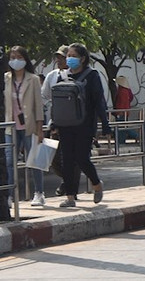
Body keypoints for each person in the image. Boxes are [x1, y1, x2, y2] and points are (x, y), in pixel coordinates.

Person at [54, 43, 111, 208]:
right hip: (65, 124)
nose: (69, 59)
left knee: (82, 158)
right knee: (67, 161)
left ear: (83, 58)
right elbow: (57, 103)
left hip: (85, 124)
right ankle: (70, 197)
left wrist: (105, 125)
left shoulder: (92, 75)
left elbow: (99, 102)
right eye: (68, 55)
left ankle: (96, 183)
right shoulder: (63, 77)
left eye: (73, 55)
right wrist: (54, 122)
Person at [4, 45, 46, 207]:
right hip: (11, 127)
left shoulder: (33, 79)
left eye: (19, 57)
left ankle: (39, 193)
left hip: (29, 126)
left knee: (34, 160)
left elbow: (38, 106)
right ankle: (10, 195)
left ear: (25, 59)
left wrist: (40, 128)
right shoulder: (6, 78)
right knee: (9, 162)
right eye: (13, 57)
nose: (16, 61)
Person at [41, 45, 80, 197]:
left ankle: (71, 189)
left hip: (74, 123)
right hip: (56, 122)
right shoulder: (51, 76)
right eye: (57, 57)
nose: (59, 60)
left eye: (62, 57)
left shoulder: (78, 75)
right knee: (54, 159)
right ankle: (67, 180)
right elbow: (44, 96)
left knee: (72, 158)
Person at [114, 74, 136, 143]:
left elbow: (121, 103)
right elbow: (131, 98)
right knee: (123, 127)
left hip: (121, 111)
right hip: (125, 111)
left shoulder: (121, 91)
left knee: (122, 127)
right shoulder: (127, 90)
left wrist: (120, 112)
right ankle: (122, 140)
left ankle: (135, 135)